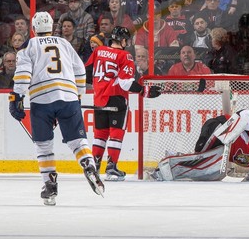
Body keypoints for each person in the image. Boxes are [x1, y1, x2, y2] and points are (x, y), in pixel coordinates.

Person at [8, 11, 104, 206]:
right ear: (52, 27)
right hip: (68, 97)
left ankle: (50, 185)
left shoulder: (29, 45)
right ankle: (88, 164)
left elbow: (24, 73)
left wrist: (16, 96)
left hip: (42, 101)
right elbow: (79, 70)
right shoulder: (64, 43)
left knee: (43, 145)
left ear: (33, 29)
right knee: (78, 140)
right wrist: (77, 95)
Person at [85, 26, 161, 181]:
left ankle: (95, 167)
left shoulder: (98, 51)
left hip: (98, 99)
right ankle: (111, 168)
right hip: (116, 98)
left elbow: (86, 73)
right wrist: (144, 91)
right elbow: (126, 83)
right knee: (116, 134)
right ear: (123, 40)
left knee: (100, 135)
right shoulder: (125, 56)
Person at [151, 108, 249, 182]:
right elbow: (246, 114)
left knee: (203, 164)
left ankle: (173, 159)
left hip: (221, 149)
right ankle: (168, 166)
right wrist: (230, 136)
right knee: (201, 157)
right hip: (219, 127)